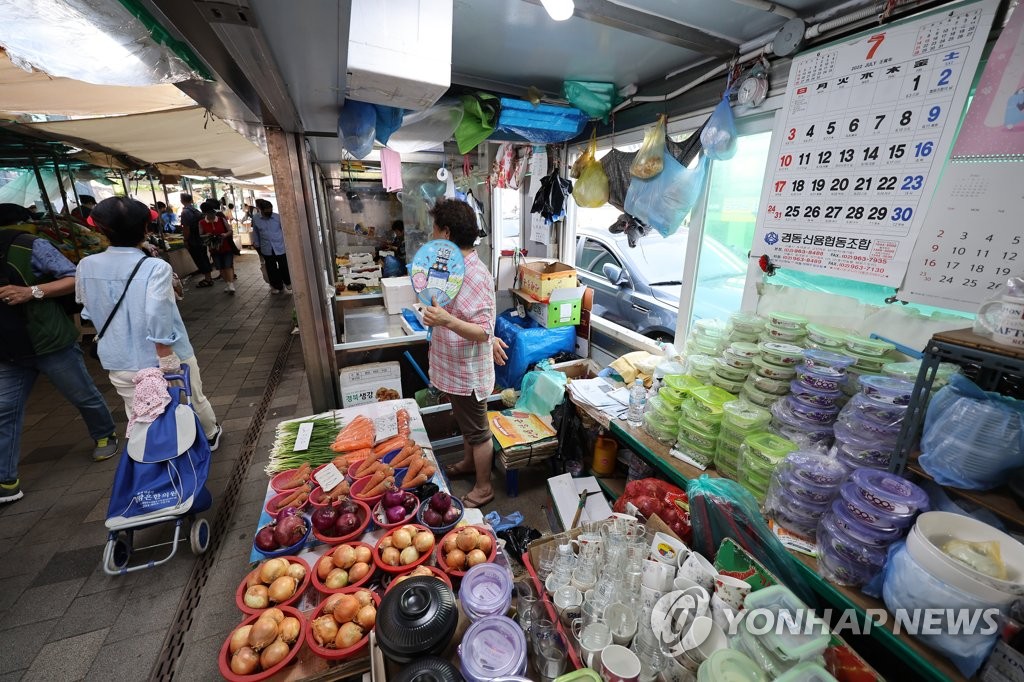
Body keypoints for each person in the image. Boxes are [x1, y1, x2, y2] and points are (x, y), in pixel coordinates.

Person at [76, 197, 222, 451]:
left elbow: (88, 312)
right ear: (146, 228)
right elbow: (158, 313)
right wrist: (165, 358)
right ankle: (208, 437)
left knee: (141, 414)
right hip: (166, 358)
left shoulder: (86, 265)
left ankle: (155, 456)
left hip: (119, 358)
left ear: (100, 230)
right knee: (190, 400)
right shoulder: (155, 266)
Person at [0, 206, 121, 503]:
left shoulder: (30, 245)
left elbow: (73, 277)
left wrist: (32, 291)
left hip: (49, 339)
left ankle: (105, 434)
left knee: (82, 394)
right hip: (7, 347)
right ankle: (6, 479)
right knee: (4, 410)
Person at [421, 198, 501, 509]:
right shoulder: (453, 266)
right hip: (452, 364)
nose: (431, 234)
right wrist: (435, 314)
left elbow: (484, 330)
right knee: (466, 423)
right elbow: (448, 308)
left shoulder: (476, 274)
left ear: (447, 232)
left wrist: (445, 320)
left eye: (434, 229)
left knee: (479, 431)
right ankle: (469, 464)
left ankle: (484, 488)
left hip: (468, 370)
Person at [251, 199, 292, 295]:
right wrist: (256, 244)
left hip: (280, 246)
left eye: (270, 210)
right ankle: (277, 285)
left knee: (284, 265)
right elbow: (255, 233)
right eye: (267, 211)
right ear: (260, 210)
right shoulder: (256, 218)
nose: (269, 212)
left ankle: (287, 282)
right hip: (266, 248)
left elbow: (285, 230)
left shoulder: (278, 217)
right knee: (271, 268)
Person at [199, 200, 237, 294]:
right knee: (220, 268)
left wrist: (225, 234)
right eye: (208, 213)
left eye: (212, 212)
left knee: (228, 265)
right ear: (205, 213)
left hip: (226, 246)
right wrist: (207, 235)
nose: (211, 215)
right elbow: (200, 235)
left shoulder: (221, 219)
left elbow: (230, 230)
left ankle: (231, 285)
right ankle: (228, 284)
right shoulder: (202, 223)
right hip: (214, 249)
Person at [179, 193, 214, 288]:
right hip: (201, 238)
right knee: (204, 257)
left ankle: (207, 279)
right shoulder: (195, 210)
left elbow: (186, 228)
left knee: (199, 258)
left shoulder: (185, 212)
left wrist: (185, 240)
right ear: (191, 200)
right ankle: (209, 278)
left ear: (181, 201)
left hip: (193, 239)